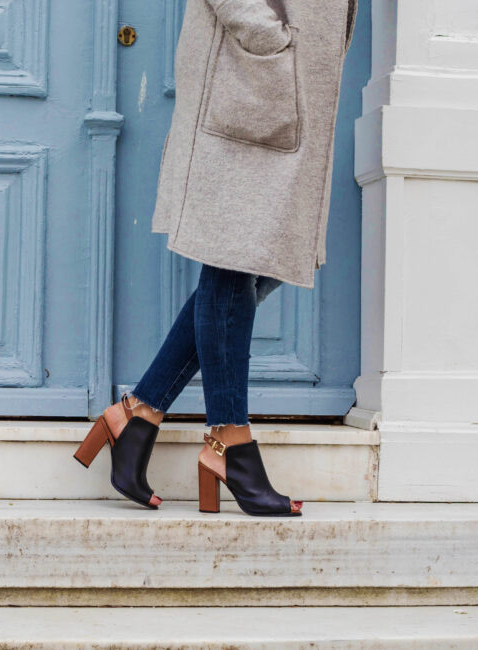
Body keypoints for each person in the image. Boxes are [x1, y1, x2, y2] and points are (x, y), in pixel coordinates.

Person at [74, 0, 358, 516]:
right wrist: (273, 43)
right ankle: (230, 439)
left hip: (288, 91)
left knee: (251, 265)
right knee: (235, 261)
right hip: (255, 84)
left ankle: (137, 412)